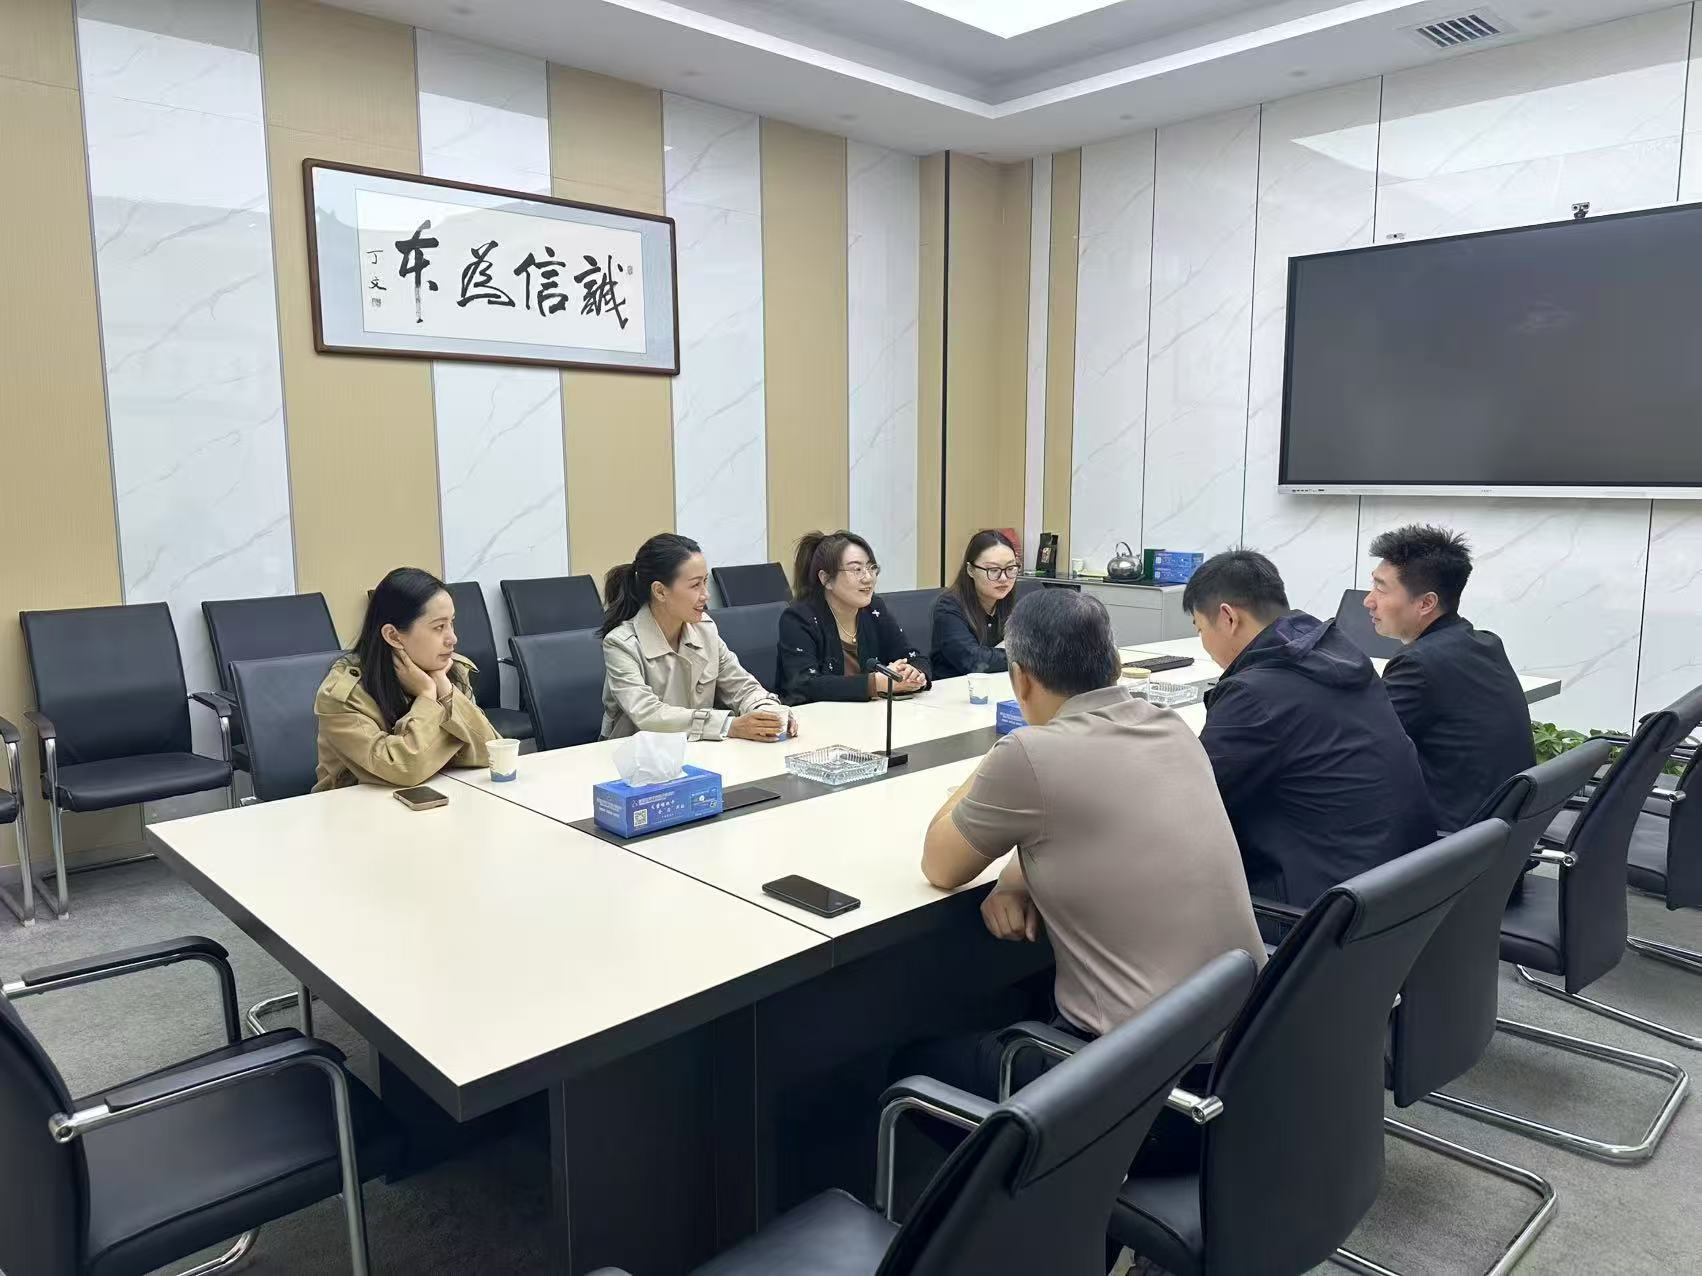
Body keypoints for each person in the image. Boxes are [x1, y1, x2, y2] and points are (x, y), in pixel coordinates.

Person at [917, 587, 1264, 1081]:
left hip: (1131, 1077)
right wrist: (1016, 877)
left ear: (1020, 678)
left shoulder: (1029, 755)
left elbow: (939, 866)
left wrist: (1004, 750)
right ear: (1115, 665)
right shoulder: (1170, 728)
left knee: (912, 1062)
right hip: (1242, 1049)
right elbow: (1081, 825)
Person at [1184, 549, 1435, 907]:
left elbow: (1191, 804)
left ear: (1227, 617)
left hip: (1319, 911)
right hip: (1397, 889)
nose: (1204, 643)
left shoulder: (1256, 693)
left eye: (1200, 628)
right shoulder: (1340, 653)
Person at [1365, 525, 1535, 832]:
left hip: (1452, 841)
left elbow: (1360, 747)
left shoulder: (1418, 663)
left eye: (1381, 588)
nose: (1369, 601)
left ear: (1426, 603)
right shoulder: (1483, 642)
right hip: (1498, 829)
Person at [314, 567, 498, 791]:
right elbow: (403, 769)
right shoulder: (344, 695)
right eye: (439, 627)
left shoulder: (450, 671)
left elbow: (491, 751)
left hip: (438, 797)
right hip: (354, 807)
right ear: (393, 636)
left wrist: (445, 690)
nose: (453, 638)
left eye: (451, 623)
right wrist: (427, 696)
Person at [601, 532, 797, 742]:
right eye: (695, 585)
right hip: (634, 755)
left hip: (695, 749)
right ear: (660, 591)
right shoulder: (621, 644)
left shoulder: (705, 629)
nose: (706, 595)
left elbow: (741, 686)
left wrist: (768, 712)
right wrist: (728, 725)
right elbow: (648, 714)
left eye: (705, 582)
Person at [778, 530, 931, 705]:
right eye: (857, 569)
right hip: (816, 718)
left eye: (871, 568)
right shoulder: (799, 619)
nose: (868, 578)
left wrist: (915, 673)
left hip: (870, 714)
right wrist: (876, 684)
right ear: (826, 579)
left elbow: (915, 657)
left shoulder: (874, 609)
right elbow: (804, 684)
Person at [931, 529, 1020, 679]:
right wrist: (1021, 654)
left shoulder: (1009, 600)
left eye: (1010, 568)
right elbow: (973, 660)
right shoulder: (948, 607)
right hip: (954, 687)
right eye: (993, 570)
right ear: (970, 570)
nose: (1004, 578)